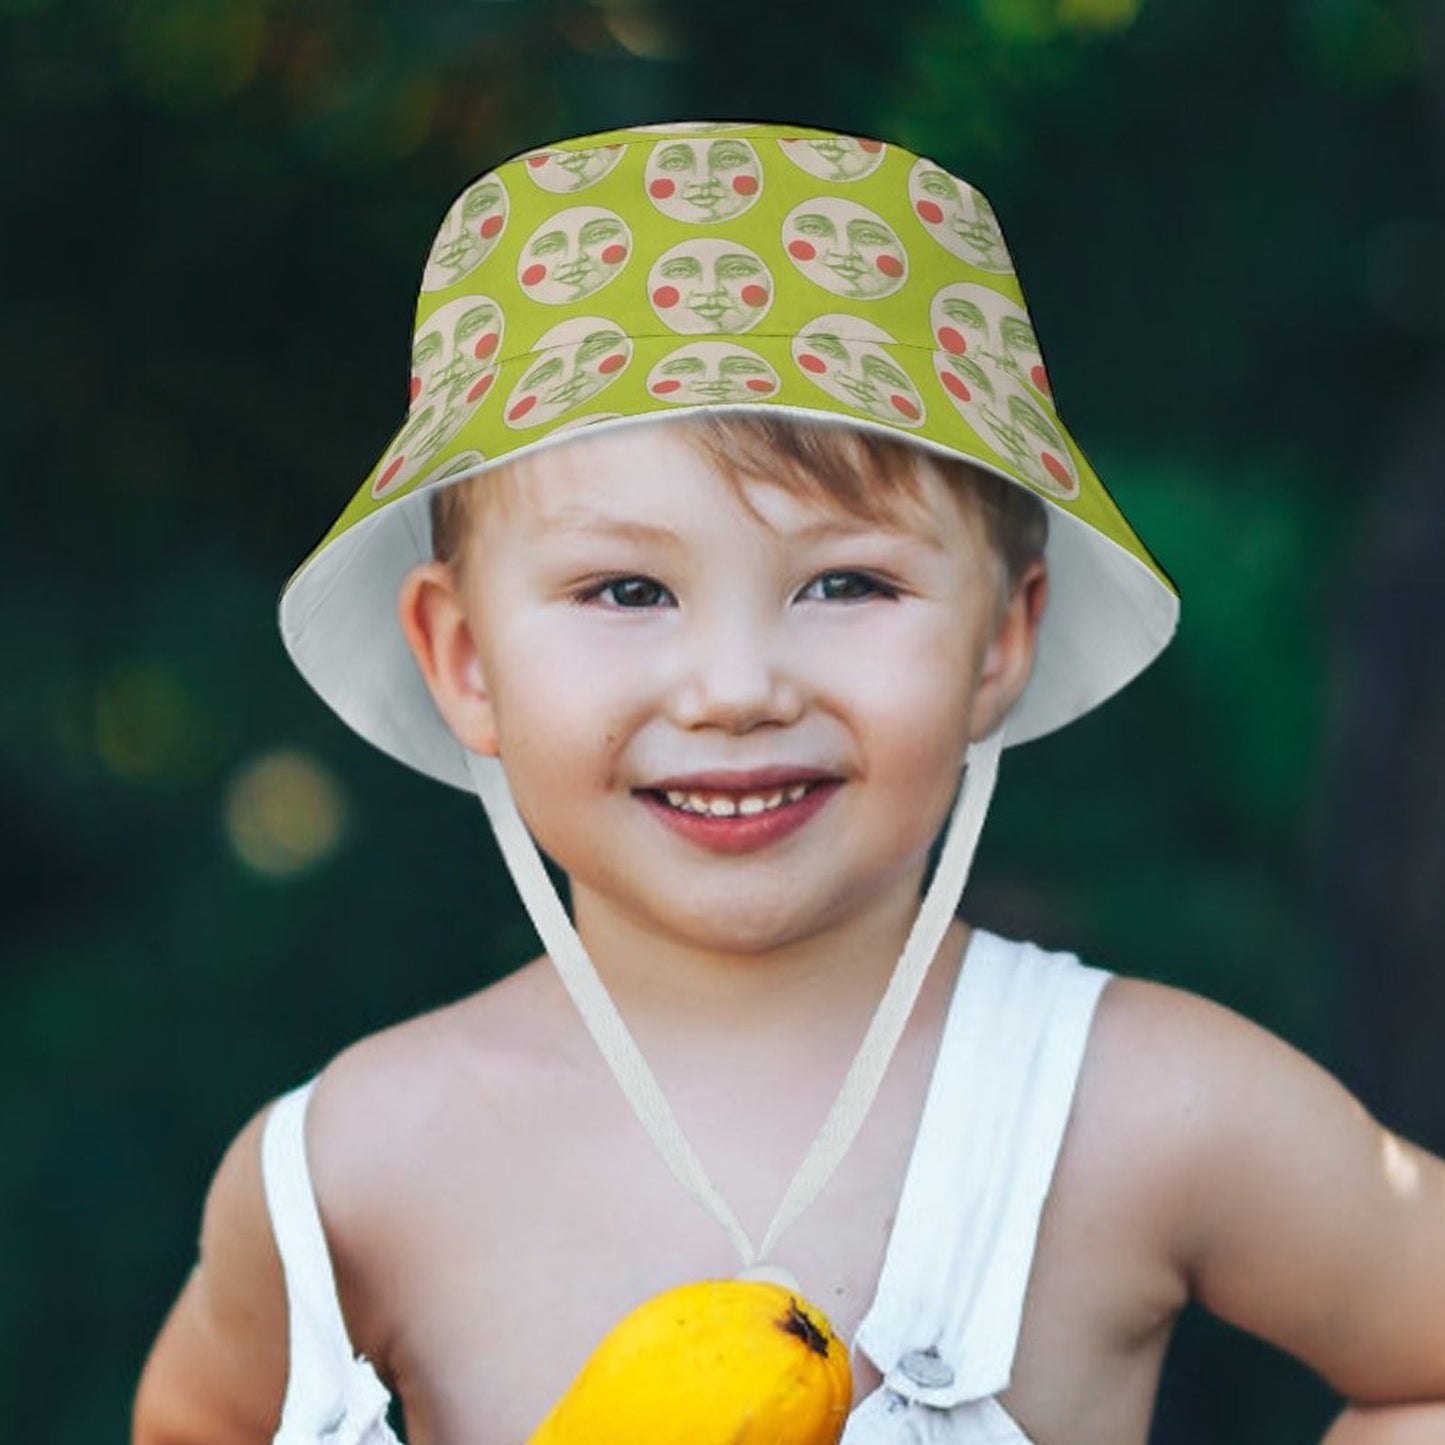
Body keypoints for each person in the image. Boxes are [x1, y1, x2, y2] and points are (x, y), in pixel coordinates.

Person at [132, 122, 1445, 1445]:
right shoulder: (354, 1167)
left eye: (845, 583)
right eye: (627, 589)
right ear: (463, 656)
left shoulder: (1140, 1104)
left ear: (999, 636)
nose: (734, 685)